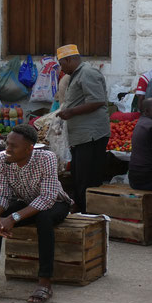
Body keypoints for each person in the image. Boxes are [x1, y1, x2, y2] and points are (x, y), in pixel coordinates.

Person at [0, 125, 73, 303]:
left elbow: (47, 198)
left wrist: (13, 218)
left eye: (13, 146)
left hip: (56, 203)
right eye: (7, 144)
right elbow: (1, 193)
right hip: (25, 202)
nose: (7, 149)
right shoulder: (2, 158)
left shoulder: (47, 158)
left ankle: (45, 282)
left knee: (44, 218)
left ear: (29, 149)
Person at [56, 44, 110, 213]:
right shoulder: (76, 75)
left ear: (69, 60)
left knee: (87, 178)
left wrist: (71, 112)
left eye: (62, 64)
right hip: (81, 136)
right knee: (79, 176)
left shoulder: (87, 73)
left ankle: (89, 213)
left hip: (91, 135)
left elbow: (97, 101)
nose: (62, 69)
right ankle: (81, 209)